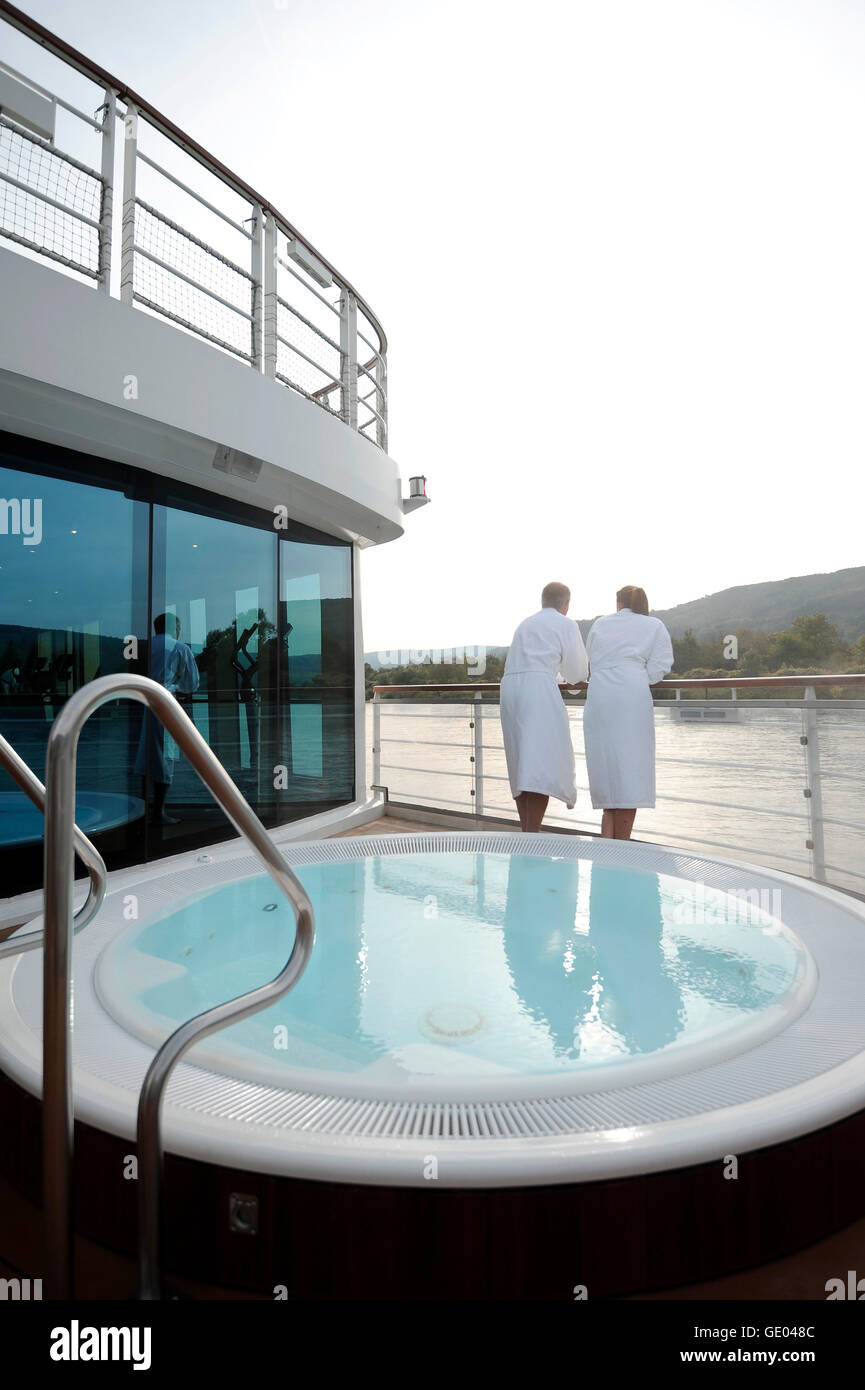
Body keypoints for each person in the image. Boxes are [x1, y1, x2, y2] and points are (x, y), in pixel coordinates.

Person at [583, 585, 673, 840]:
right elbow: (660, 667)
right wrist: (633, 675)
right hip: (630, 697)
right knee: (630, 769)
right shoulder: (654, 625)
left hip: (599, 695)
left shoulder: (601, 625)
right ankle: (622, 848)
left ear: (618, 603)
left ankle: (607, 847)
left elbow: (592, 658)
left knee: (607, 767)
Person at [500, 582, 588, 833]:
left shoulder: (525, 624)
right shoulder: (566, 624)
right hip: (537, 691)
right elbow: (577, 672)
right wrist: (568, 683)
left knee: (520, 761)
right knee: (539, 762)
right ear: (566, 604)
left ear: (543, 601)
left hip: (510, 689)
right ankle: (532, 834)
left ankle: (527, 831)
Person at [134, 613, 200, 825]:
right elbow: (192, 684)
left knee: (145, 755)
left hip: (140, 701)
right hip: (164, 704)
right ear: (175, 628)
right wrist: (176, 687)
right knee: (165, 756)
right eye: (179, 627)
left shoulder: (145, 647)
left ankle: (142, 808)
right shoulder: (180, 649)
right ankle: (158, 812)